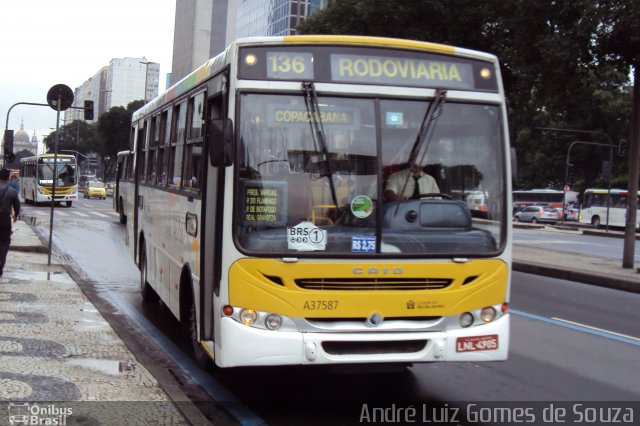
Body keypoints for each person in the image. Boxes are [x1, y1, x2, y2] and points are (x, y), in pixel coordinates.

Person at [0, 168, 21, 276]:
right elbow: (17, 205)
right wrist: (16, 215)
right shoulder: (11, 190)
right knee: (4, 243)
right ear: (8, 178)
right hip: (4, 219)